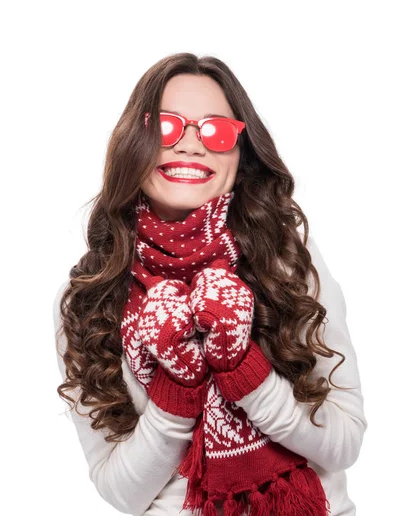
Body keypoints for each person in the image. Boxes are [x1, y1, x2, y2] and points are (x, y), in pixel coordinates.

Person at [53, 52, 368, 516]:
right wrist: (177, 388)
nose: (191, 145)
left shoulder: (287, 262)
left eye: (216, 131)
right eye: (166, 127)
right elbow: (121, 492)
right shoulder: (89, 294)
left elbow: (344, 444)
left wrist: (246, 369)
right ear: (133, 144)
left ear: (240, 158)